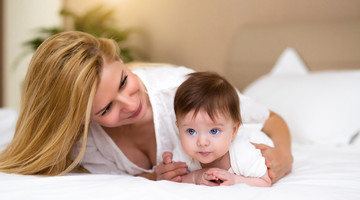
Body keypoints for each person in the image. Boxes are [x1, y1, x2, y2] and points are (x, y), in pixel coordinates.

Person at [0, 31, 293, 184]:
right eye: (105, 110)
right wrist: (155, 177)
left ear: (121, 61)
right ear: (82, 120)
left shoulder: (182, 89)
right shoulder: (87, 145)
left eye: (124, 81)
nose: (130, 104)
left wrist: (284, 155)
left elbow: (272, 119)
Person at [169, 71, 272, 186]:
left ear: (233, 131)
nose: (202, 142)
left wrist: (235, 180)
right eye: (191, 131)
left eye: (214, 131)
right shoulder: (182, 153)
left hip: (254, 137)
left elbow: (266, 181)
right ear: (179, 129)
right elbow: (175, 179)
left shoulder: (243, 154)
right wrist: (194, 177)